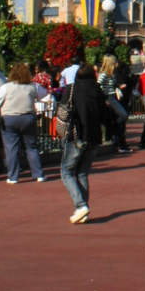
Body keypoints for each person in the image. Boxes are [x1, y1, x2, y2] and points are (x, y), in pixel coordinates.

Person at [58, 63, 106, 223]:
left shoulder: (73, 89)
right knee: (83, 173)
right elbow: (106, 114)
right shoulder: (98, 91)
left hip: (77, 134)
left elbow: (63, 110)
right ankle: (82, 208)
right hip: (94, 136)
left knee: (66, 171)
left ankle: (80, 206)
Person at [0, 63, 49, 184]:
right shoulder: (33, 86)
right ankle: (39, 174)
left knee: (12, 148)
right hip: (28, 117)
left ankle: (13, 177)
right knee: (32, 146)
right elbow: (44, 94)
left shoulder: (7, 87)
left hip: (10, 118)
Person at [97, 55, 131, 153]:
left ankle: (114, 132)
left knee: (119, 117)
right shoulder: (103, 74)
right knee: (123, 115)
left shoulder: (111, 74)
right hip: (109, 98)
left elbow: (112, 85)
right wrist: (104, 99)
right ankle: (113, 127)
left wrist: (119, 86)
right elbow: (98, 86)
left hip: (113, 97)